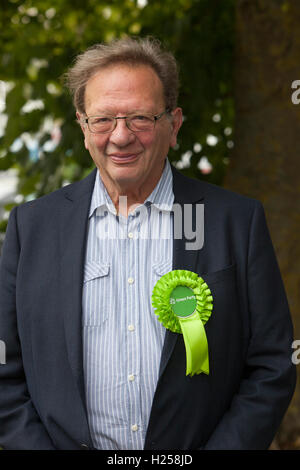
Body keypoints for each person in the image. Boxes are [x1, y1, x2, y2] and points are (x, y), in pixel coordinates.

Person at [0, 36, 296, 451]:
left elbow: (271, 365)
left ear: (173, 125)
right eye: (102, 120)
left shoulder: (235, 221)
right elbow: (5, 372)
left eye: (140, 117)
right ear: (83, 129)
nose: (120, 137)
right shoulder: (32, 228)